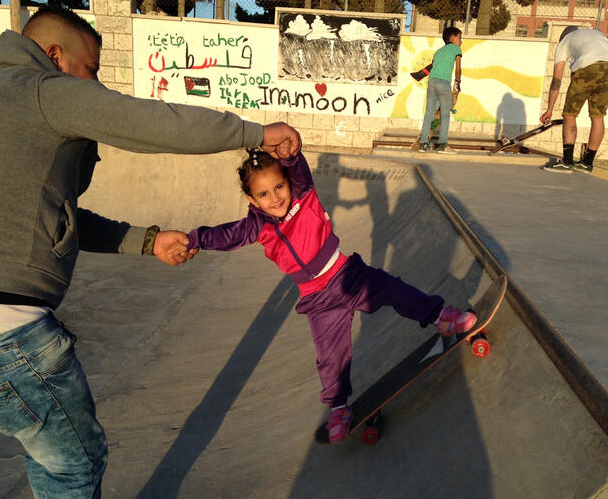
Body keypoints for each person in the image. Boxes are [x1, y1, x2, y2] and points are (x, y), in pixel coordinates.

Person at [0, 5, 300, 499]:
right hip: (3, 337)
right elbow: (152, 122)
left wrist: (146, 242)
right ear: (55, 55)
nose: (94, 85)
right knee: (76, 461)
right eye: (90, 69)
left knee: (53, 455)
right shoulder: (41, 87)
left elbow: (63, 217)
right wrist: (254, 132)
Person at [185, 149, 478, 443]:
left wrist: (289, 149)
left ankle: (441, 317)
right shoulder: (256, 226)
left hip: (347, 275)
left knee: (394, 289)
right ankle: (338, 408)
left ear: (289, 181)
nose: (275, 198)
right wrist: (195, 239)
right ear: (252, 200)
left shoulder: (303, 193)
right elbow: (227, 235)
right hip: (317, 301)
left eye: (279, 186)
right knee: (330, 357)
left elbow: (295, 163)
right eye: (263, 194)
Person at [540, 25, 608, 173]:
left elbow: (557, 80)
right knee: (598, 116)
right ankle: (587, 163)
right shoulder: (595, 33)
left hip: (588, 65)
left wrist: (549, 110)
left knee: (570, 113)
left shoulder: (564, 42)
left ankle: (567, 162)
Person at [417, 26, 462, 153]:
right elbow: (458, 68)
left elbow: (434, 67)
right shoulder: (456, 49)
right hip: (444, 83)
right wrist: (457, 83)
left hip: (432, 82)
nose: (461, 41)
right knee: (445, 115)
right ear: (452, 38)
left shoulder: (438, 52)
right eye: (459, 38)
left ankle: (423, 144)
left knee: (429, 114)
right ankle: (442, 145)